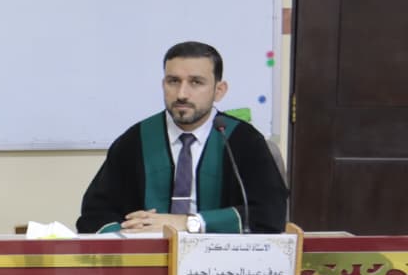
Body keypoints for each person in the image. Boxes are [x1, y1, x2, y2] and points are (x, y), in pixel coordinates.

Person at [76, 41, 288, 235]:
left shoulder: (243, 141)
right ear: (163, 84)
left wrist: (190, 223)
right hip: (150, 258)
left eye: (196, 82)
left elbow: (269, 215)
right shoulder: (134, 141)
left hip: (222, 259)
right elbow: (94, 214)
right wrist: (126, 233)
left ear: (219, 90)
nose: (182, 94)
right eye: (173, 81)